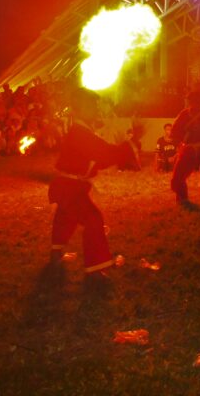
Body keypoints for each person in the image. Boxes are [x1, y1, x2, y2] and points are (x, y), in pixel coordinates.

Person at [48, 88, 140, 283]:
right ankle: (96, 269)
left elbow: (99, 157)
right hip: (69, 187)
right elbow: (102, 153)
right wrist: (127, 147)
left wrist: (122, 152)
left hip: (70, 186)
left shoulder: (82, 130)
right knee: (93, 220)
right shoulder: (80, 132)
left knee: (65, 218)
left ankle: (56, 254)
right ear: (80, 108)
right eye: (91, 105)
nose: (96, 109)